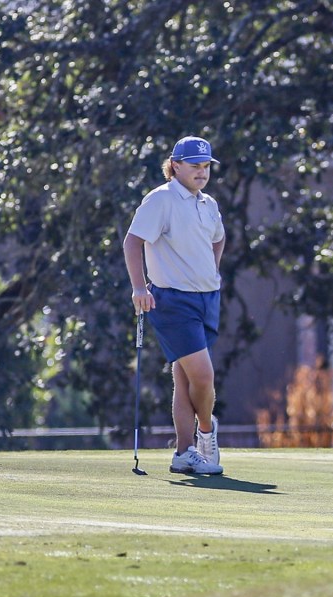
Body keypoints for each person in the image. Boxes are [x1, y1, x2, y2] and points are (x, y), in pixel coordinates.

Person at [122, 136, 225, 476]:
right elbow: (132, 241)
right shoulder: (161, 199)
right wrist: (139, 287)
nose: (201, 172)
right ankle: (207, 433)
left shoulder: (207, 203)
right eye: (194, 166)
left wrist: (210, 269)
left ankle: (184, 452)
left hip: (207, 298)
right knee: (203, 375)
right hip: (173, 301)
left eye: (206, 166)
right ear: (175, 165)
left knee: (184, 381)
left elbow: (218, 238)